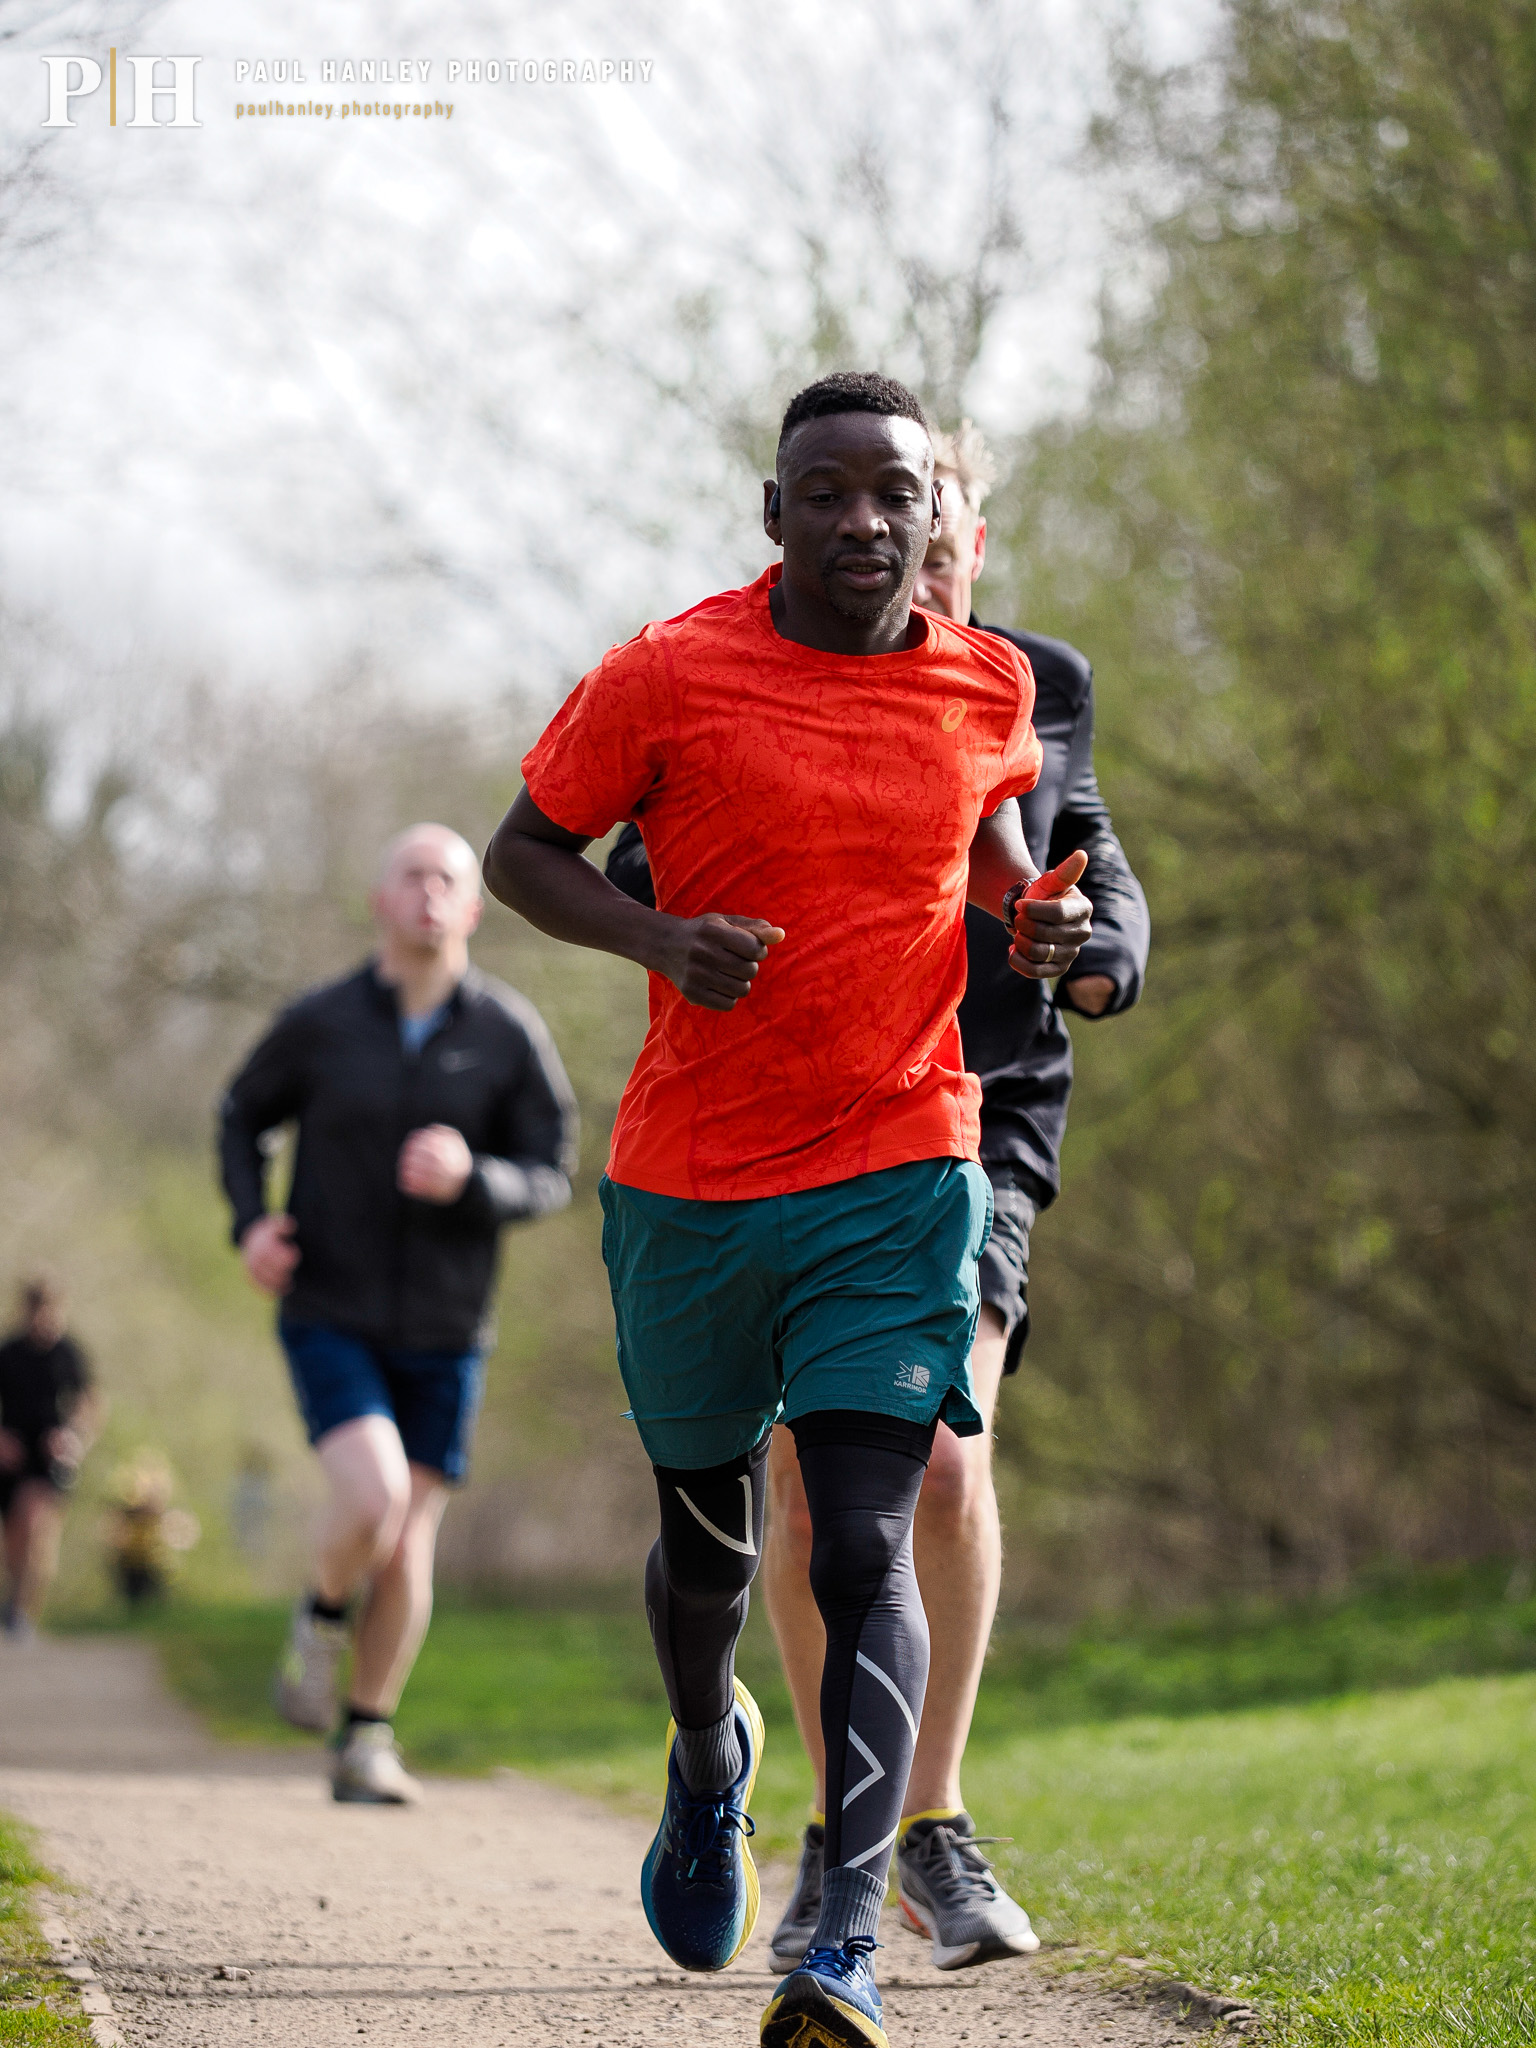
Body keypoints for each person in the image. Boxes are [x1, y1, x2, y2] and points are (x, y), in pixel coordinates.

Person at [482, 372, 1093, 2048]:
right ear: (774, 514)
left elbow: (986, 857)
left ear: (936, 516)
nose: (859, 522)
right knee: (708, 1559)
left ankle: (839, 1925)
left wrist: (1034, 926)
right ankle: (706, 1755)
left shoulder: (989, 684)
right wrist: (660, 942)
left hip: (901, 1160)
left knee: (872, 1530)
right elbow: (523, 849)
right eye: (823, 492)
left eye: (890, 494)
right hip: (690, 1182)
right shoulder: (666, 672)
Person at [755, 423, 1149, 1972]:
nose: (909, 549)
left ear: (967, 538)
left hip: (981, 1120)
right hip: (799, 1122)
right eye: (870, 517)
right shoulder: (765, 664)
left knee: (936, 1462)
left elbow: (1087, 846)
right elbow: (661, 842)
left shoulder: (1034, 682)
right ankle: (840, 1819)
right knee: (798, 1489)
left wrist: (1102, 944)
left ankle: (933, 1822)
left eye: (936, 522)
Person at [218, 824, 577, 1804]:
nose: (429, 893)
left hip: (449, 1324)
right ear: (381, 899)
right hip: (330, 1304)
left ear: (471, 906)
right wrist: (253, 1223)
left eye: (448, 879)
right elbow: (241, 1114)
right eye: (411, 875)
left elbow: (552, 1171)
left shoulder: (506, 1032)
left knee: (411, 1535)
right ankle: (323, 1611)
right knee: (373, 1497)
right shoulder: (322, 1021)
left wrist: (475, 1177)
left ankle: (367, 1736)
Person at [0, 1277, 100, 1640]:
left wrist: (73, 1438)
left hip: (51, 1456)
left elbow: (90, 1404)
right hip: (12, 1456)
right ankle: (15, 1600)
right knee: (15, 1535)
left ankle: (24, 1611)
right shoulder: (9, 1352)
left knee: (37, 1524)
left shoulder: (68, 1354)